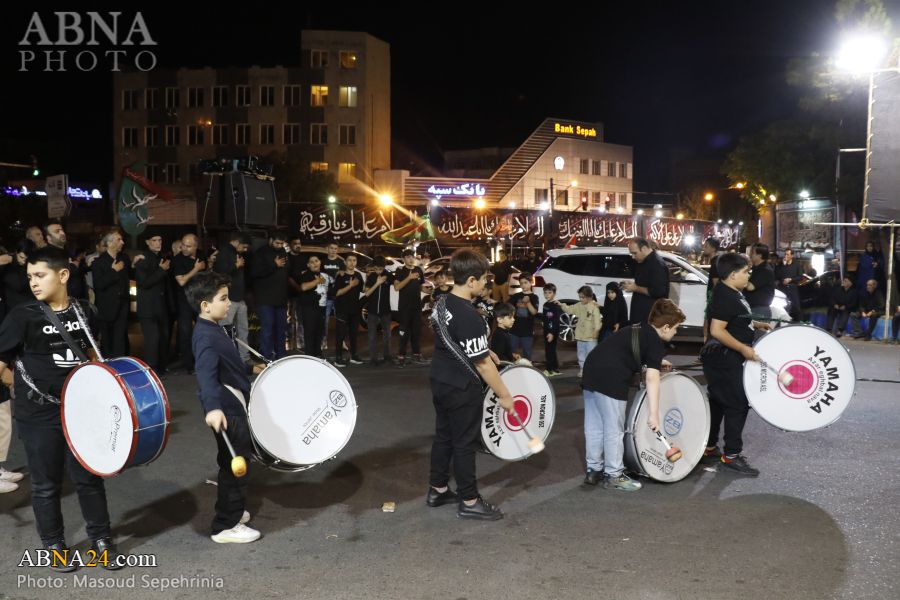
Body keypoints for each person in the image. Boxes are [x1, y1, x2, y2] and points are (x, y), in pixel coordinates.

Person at [0, 247, 122, 570]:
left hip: (81, 411)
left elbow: (93, 355)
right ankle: (54, 545)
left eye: (40, 275)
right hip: (39, 415)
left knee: (89, 478)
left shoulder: (86, 311)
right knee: (45, 484)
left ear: (63, 275)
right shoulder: (22, 315)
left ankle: (101, 540)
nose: (33, 283)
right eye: (30, 277)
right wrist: (25, 387)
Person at [427, 249, 515, 520]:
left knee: (444, 436)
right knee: (465, 443)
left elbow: (452, 338)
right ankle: (469, 500)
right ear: (472, 280)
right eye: (485, 280)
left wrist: (484, 349)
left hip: (440, 380)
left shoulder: (442, 302)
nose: (486, 284)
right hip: (461, 386)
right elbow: (484, 366)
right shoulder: (469, 315)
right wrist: (505, 395)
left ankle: (438, 489)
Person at [186, 270, 264, 544]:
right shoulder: (205, 336)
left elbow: (226, 364)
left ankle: (232, 511)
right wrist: (212, 408)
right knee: (235, 467)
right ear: (205, 305)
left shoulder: (212, 328)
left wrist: (250, 368)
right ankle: (225, 526)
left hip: (230, 405)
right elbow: (206, 375)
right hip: (227, 410)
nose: (229, 303)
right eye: (223, 298)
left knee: (231, 464)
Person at [580, 299, 683, 491]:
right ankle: (614, 475)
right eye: (676, 328)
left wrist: (656, 361)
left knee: (594, 426)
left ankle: (593, 470)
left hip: (591, 369)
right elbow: (652, 379)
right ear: (666, 327)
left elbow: (629, 351)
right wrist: (654, 415)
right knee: (614, 429)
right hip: (611, 377)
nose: (676, 332)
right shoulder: (655, 341)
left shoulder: (638, 328)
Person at [701, 253, 772, 476]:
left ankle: (709, 447)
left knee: (719, 402)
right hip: (723, 357)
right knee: (738, 404)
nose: (748, 275)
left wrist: (755, 323)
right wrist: (742, 348)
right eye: (745, 272)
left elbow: (733, 318)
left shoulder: (732, 292)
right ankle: (731, 455)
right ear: (733, 274)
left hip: (723, 357)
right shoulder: (725, 295)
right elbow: (716, 330)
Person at [171, 234, 208, 373]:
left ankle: (203, 361)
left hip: (200, 299)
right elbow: (181, 281)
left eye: (188, 246)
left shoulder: (201, 255)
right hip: (184, 301)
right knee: (186, 333)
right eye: (183, 245)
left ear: (195, 246)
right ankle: (188, 365)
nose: (184, 248)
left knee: (203, 331)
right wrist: (196, 269)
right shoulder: (178, 259)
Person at [91, 230, 130, 358]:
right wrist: (113, 271)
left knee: (120, 339)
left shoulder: (124, 259)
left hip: (122, 305)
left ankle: (121, 365)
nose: (122, 242)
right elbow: (99, 285)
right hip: (106, 308)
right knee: (107, 341)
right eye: (119, 240)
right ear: (109, 243)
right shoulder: (98, 262)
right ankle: (107, 366)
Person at [135, 233, 171, 374]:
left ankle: (161, 368)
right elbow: (144, 283)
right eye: (154, 240)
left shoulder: (163, 257)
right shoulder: (143, 258)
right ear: (147, 242)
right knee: (152, 340)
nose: (158, 243)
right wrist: (161, 271)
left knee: (162, 338)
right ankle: (152, 370)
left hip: (161, 306)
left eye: (160, 240)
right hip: (148, 307)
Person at [250, 232, 289, 361]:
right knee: (267, 330)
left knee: (281, 330)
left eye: (282, 243)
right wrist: (274, 265)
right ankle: (266, 358)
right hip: (265, 299)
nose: (280, 245)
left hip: (281, 298)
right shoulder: (260, 253)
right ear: (271, 240)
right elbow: (255, 273)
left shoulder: (283, 252)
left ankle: (281, 357)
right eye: (277, 243)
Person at [214, 232, 250, 366]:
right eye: (244, 246)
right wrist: (236, 266)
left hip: (240, 297)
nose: (245, 250)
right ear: (237, 242)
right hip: (228, 298)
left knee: (243, 330)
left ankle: (244, 358)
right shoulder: (224, 253)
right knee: (225, 330)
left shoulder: (237, 253)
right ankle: (226, 359)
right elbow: (220, 274)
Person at [393, 249, 427, 367]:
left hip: (417, 307)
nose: (411, 259)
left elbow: (421, 286)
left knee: (416, 332)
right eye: (408, 257)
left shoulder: (419, 270)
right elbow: (397, 287)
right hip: (404, 308)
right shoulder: (400, 270)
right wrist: (409, 277)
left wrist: (428, 291)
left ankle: (416, 355)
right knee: (404, 332)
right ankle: (401, 356)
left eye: (412, 256)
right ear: (403, 259)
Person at [624, 238, 670, 325]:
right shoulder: (643, 261)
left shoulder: (656, 264)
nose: (633, 257)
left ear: (644, 248)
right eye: (631, 254)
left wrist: (636, 288)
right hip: (640, 314)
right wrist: (633, 285)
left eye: (635, 253)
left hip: (649, 315)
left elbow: (658, 292)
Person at [560, 286, 602, 375]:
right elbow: (570, 310)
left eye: (583, 297)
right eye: (580, 297)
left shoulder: (594, 307)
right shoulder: (579, 305)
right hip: (580, 336)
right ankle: (582, 369)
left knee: (591, 354)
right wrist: (562, 305)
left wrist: (596, 331)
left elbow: (597, 321)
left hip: (591, 337)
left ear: (589, 297)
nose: (581, 299)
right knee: (581, 354)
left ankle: (591, 371)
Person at [332, 254, 364, 367]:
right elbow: (337, 293)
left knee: (353, 334)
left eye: (354, 260)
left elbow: (363, 290)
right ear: (345, 262)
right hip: (342, 309)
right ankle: (338, 358)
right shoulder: (341, 275)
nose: (352, 262)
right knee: (340, 335)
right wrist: (350, 286)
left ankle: (354, 356)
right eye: (349, 260)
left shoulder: (358, 275)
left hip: (354, 309)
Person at [363, 257, 394, 366]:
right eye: (376, 268)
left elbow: (397, 285)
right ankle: (373, 359)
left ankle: (387, 356)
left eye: (380, 269)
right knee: (372, 336)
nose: (378, 271)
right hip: (372, 311)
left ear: (384, 267)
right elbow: (367, 293)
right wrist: (377, 283)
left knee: (387, 335)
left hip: (385, 310)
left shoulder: (388, 275)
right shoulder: (372, 276)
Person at [43, 223, 85, 300]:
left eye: (62, 230)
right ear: (49, 238)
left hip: (77, 301)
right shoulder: (48, 256)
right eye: (57, 231)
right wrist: (72, 266)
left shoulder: (67, 252)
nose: (62, 233)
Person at [507, 272, 539, 360]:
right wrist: (496, 302)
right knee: (511, 353)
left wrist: (528, 302)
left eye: (525, 282)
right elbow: (507, 305)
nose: (523, 285)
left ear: (531, 282)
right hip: (514, 330)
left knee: (527, 354)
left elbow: (534, 312)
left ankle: (527, 368)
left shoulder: (534, 297)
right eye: (521, 283)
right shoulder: (516, 296)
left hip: (527, 331)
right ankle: (512, 367)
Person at [320, 243, 345, 352]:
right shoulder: (323, 262)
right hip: (326, 295)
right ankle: (323, 341)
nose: (333, 250)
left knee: (341, 320)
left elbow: (344, 277)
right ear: (327, 249)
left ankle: (341, 342)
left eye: (335, 249)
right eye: (331, 248)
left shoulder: (341, 262)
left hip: (339, 296)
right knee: (325, 320)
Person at [745, 243, 775, 319]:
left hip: (759, 310)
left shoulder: (765, 270)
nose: (750, 255)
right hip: (753, 308)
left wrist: (739, 277)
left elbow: (750, 287)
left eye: (752, 253)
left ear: (760, 255)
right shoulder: (756, 268)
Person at [701, 238, 722, 342]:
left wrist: (712, 302)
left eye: (706, 246)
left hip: (714, 301)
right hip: (714, 301)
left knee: (709, 327)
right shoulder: (716, 261)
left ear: (713, 249)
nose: (703, 248)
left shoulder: (716, 263)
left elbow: (716, 285)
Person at [286, 237, 305, 351]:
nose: (298, 245)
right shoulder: (287, 257)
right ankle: (288, 344)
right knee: (288, 319)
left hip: (301, 294)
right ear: (290, 245)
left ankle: (300, 344)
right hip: (289, 293)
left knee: (300, 319)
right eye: (295, 243)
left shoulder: (304, 257)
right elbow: (287, 276)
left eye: (299, 243)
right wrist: (297, 287)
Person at [775, 248, 804, 321]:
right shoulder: (780, 265)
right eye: (785, 254)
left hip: (792, 288)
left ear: (792, 255)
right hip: (783, 288)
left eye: (788, 254)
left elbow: (800, 277)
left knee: (796, 307)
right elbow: (776, 275)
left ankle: (798, 323)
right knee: (782, 306)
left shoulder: (796, 265)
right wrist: (783, 265)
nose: (786, 256)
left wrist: (791, 279)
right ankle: (783, 322)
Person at [2, 241, 32, 309]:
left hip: (26, 304)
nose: (24, 261)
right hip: (10, 305)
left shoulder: (31, 265)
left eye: (26, 259)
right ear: (16, 252)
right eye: (21, 257)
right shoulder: (6, 263)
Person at [541, 283, 562, 376]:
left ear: (554, 293)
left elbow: (555, 320)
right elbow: (545, 317)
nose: (547, 295)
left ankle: (549, 369)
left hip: (552, 331)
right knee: (550, 350)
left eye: (549, 292)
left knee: (549, 351)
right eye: (545, 293)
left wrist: (551, 333)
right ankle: (555, 369)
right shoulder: (545, 304)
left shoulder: (555, 305)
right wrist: (542, 321)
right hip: (547, 330)